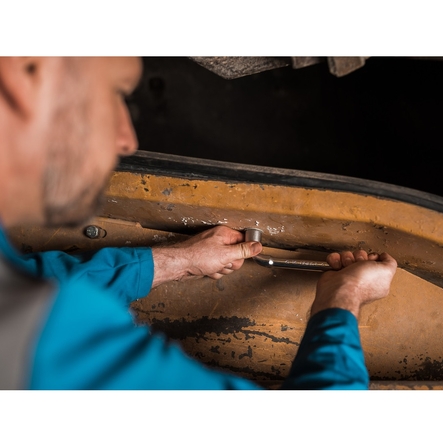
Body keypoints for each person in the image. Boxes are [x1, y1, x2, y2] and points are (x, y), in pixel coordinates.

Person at [0, 57, 397, 389]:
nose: (127, 140)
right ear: (26, 70)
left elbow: (36, 279)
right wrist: (343, 297)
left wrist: (179, 261)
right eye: (114, 93)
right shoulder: (48, 344)